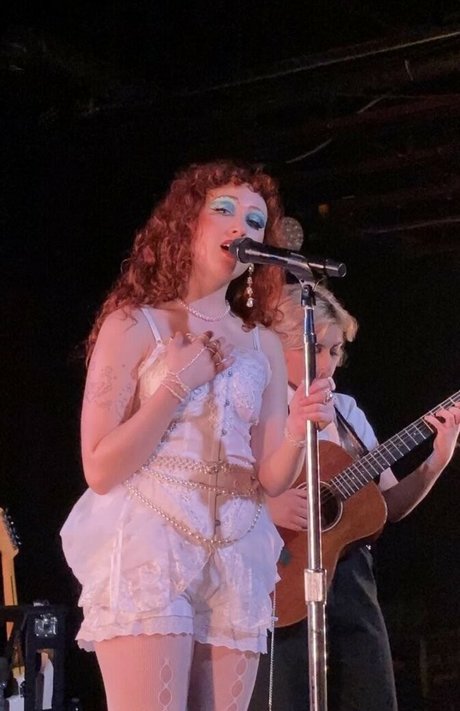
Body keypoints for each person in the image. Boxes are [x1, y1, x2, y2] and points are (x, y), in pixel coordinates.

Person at [60, 160, 336, 711]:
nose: (242, 227)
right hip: (153, 538)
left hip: (235, 547)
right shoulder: (134, 323)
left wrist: (297, 429)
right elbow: (100, 467)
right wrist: (176, 385)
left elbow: (271, 477)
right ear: (186, 223)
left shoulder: (260, 343)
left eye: (255, 221)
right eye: (224, 210)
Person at [249, 282, 460, 711]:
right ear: (278, 346)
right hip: (281, 577)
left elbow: (387, 505)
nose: (327, 363)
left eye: (335, 350)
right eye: (316, 348)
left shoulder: (346, 411)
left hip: (351, 583)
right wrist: (266, 506)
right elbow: (219, 488)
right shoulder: (256, 406)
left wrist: (436, 461)